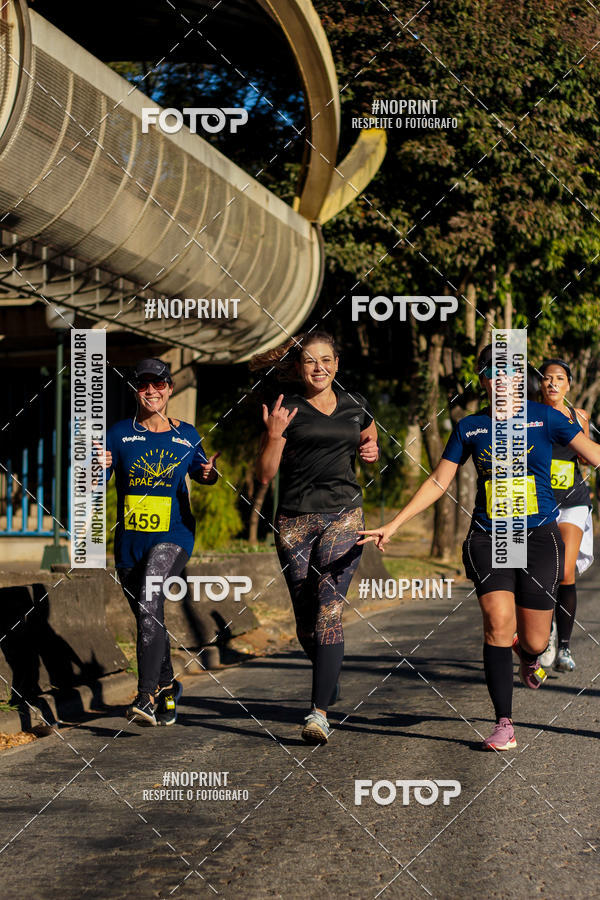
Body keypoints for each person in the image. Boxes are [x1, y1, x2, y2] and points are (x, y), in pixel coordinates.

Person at [359, 343, 600, 751]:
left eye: (511, 374)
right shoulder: (470, 427)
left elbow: (594, 455)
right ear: (485, 380)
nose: (503, 381)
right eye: (494, 373)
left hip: (540, 536)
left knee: (538, 642)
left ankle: (527, 655)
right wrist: (394, 524)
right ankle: (504, 722)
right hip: (491, 536)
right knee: (496, 622)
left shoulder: (547, 418)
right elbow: (439, 481)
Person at [252, 331, 379, 744]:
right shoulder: (284, 408)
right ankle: (328, 672)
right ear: (299, 368)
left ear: (337, 364)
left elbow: (369, 435)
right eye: (311, 361)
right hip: (293, 520)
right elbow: (264, 475)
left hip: (344, 513)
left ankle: (318, 713)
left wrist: (371, 449)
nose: (319, 367)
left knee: (328, 609)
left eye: (326, 360)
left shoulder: (355, 404)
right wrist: (273, 436)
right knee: (307, 623)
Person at [101, 358, 219, 726]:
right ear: (136, 391)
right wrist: (95, 466)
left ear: (169, 389)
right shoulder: (118, 434)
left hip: (175, 536)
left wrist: (209, 473)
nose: (152, 391)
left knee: (151, 597)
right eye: (144, 385)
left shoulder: (187, 434)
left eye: (159, 384)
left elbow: (205, 474)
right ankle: (168, 687)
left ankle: (145, 696)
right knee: (147, 613)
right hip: (130, 543)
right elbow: (96, 482)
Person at [538, 359, 593, 673]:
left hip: (572, 500)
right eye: (547, 378)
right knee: (539, 572)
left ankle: (565, 648)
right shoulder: (529, 415)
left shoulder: (579, 417)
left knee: (565, 572)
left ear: (568, 385)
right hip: (539, 501)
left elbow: (585, 457)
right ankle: (543, 632)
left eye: (559, 378)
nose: (553, 383)